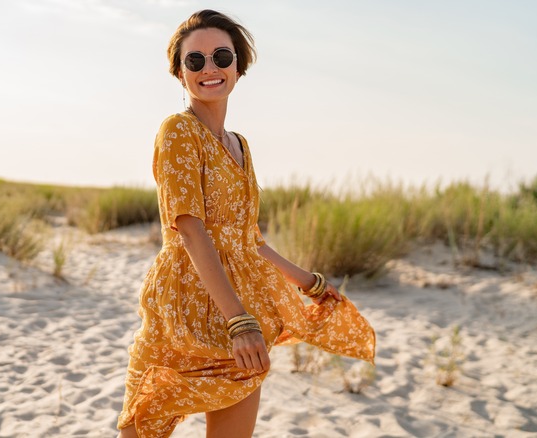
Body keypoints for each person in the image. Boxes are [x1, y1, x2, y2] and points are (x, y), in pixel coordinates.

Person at [117, 9, 375, 438]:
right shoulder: (178, 131)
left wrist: (307, 281)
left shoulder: (240, 145)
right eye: (194, 61)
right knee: (143, 427)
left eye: (221, 55)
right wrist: (241, 322)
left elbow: (247, 238)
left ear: (239, 64)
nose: (210, 68)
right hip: (183, 306)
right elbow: (191, 230)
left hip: (239, 299)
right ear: (180, 74)